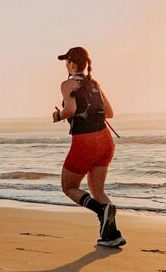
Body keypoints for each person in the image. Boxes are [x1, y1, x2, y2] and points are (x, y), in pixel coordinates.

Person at [52, 47, 125, 247]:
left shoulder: (67, 84)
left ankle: (101, 211)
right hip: (106, 141)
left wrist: (59, 115)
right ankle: (112, 235)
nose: (66, 65)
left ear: (73, 64)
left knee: (69, 187)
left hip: (85, 142)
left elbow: (71, 110)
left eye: (67, 62)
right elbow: (109, 113)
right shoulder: (94, 84)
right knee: (98, 191)